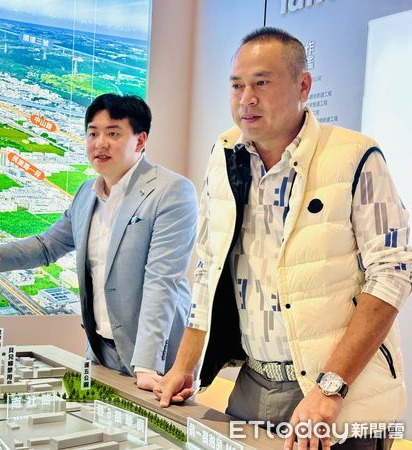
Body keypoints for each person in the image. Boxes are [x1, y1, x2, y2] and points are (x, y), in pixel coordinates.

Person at [154, 27, 411, 450]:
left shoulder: (356, 156)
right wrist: (185, 365)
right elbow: (208, 267)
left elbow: (393, 273)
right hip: (252, 386)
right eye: (236, 85)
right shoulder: (224, 156)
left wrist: (331, 388)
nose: (246, 99)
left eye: (261, 83)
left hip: (338, 400)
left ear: (303, 86)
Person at [0, 93, 198, 390]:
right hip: (101, 351)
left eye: (113, 134)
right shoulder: (86, 193)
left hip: (156, 358)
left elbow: (162, 281)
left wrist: (147, 366)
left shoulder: (171, 191)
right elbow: (47, 246)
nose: (100, 144)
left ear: (140, 140)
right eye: (93, 133)